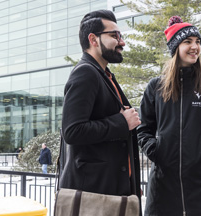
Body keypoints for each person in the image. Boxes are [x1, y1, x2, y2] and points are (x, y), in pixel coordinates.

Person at [138, 16, 201, 216]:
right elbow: (142, 129)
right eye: (188, 42)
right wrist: (156, 152)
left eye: (197, 42)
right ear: (176, 47)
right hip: (163, 186)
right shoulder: (156, 87)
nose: (195, 47)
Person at [59, 9, 141, 200]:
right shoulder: (85, 73)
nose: (122, 42)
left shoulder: (104, 74)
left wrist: (130, 183)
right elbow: (72, 131)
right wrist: (122, 122)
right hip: (94, 196)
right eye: (114, 36)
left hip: (111, 190)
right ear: (93, 40)